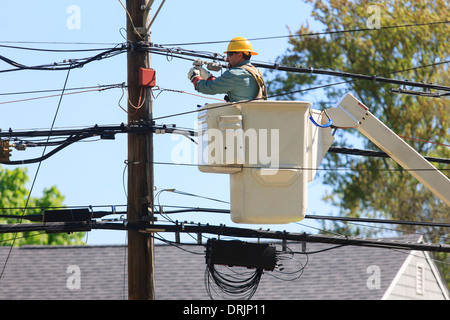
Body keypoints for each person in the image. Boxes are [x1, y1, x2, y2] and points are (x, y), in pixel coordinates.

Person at [187, 37, 267, 102]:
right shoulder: (255, 72)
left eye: (229, 54)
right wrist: (208, 77)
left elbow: (208, 88)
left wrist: (195, 77)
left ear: (239, 55)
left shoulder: (234, 74)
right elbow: (225, 84)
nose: (227, 59)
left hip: (242, 119)